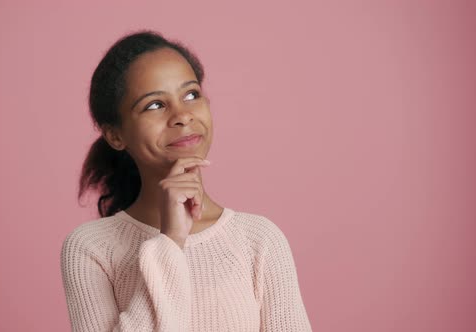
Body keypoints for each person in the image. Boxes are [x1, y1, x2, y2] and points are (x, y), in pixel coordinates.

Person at [60, 29, 312, 331]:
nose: (182, 115)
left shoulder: (259, 240)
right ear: (115, 134)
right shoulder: (90, 249)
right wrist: (170, 242)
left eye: (191, 94)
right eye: (155, 104)